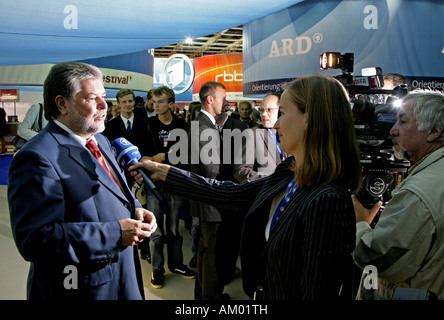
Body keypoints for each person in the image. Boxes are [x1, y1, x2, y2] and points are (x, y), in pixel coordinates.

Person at [130, 74, 362, 300]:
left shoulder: (327, 199)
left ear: (310, 118)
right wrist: (165, 173)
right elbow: (232, 192)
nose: (277, 122)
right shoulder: (290, 170)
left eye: (281, 113)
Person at [7, 62, 157, 300]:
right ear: (62, 104)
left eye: (104, 97)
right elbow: (35, 240)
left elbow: (112, 193)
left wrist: (136, 209)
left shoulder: (102, 142)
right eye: (91, 98)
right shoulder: (36, 157)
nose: (103, 105)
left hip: (122, 278)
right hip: (81, 288)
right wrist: (116, 233)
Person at [352, 89, 444, 300]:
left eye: (403, 122)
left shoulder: (419, 192)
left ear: (434, 131)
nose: (392, 131)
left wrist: (360, 224)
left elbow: (378, 259)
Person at [142, 85, 195, 289]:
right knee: (156, 230)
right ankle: (157, 268)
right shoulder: (147, 124)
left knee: (174, 229)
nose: (156, 105)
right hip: (154, 183)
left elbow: (187, 154)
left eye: (160, 102)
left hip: (175, 182)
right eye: (153, 102)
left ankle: (176, 264)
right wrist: (154, 160)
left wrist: (165, 156)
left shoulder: (182, 125)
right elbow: (140, 155)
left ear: (171, 104)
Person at [187, 81, 231, 300]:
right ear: (210, 99)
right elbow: (212, 170)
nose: (225, 101)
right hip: (211, 200)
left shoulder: (200, 123)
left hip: (203, 199)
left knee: (205, 253)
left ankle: (203, 296)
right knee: (212, 254)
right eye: (223, 97)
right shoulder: (205, 127)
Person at [234, 92, 284, 182]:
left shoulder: (291, 135)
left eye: (269, 110)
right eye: (262, 110)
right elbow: (241, 171)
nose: (264, 114)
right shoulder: (252, 134)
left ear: (281, 112)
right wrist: (270, 180)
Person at [102, 88, 147, 184]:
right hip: (119, 173)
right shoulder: (110, 126)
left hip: (141, 172)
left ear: (134, 101)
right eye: (124, 102)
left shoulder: (144, 123)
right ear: (118, 103)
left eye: (130, 101)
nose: (128, 104)